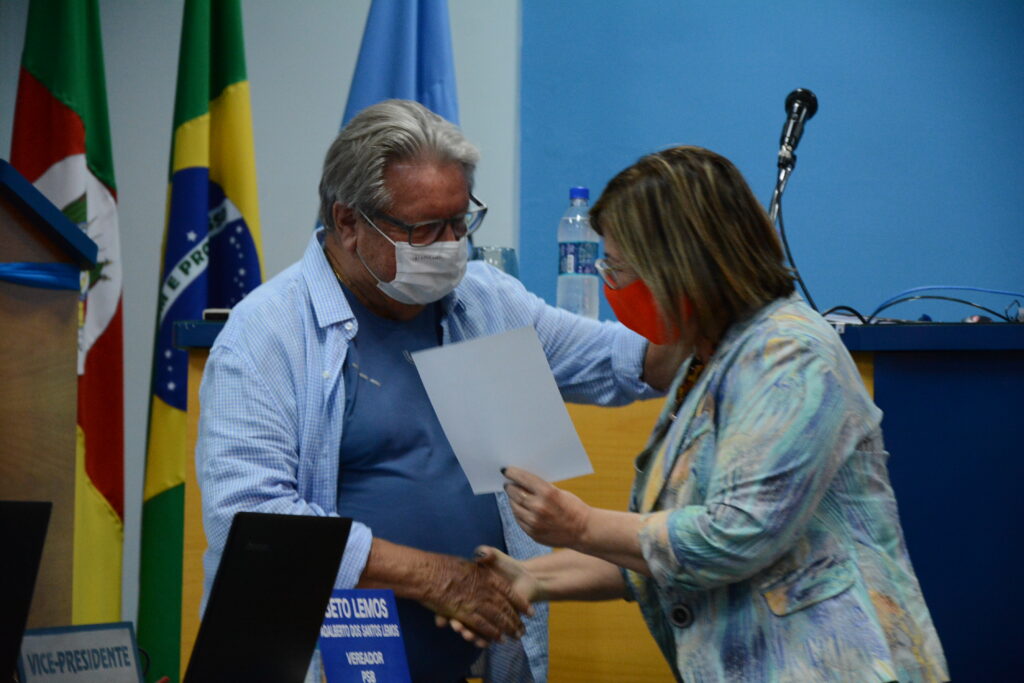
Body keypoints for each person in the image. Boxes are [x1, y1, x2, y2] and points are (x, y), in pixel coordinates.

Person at [196, 99, 681, 683]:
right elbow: (254, 523)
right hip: (314, 663)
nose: (452, 245)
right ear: (348, 222)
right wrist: (436, 577)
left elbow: (625, 362)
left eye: (460, 220)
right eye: (425, 229)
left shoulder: (484, 300)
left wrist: (717, 313)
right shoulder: (265, 333)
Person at [466, 146, 949, 682]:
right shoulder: (709, 357)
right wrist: (532, 578)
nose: (610, 284)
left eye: (618, 268)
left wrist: (580, 524)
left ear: (680, 267)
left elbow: (736, 535)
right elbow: (666, 543)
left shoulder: (790, 353)